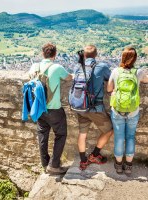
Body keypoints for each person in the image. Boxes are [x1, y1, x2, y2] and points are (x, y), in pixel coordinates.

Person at [29, 43, 72, 175]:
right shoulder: (57, 67)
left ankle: (44, 163)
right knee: (61, 134)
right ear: (55, 54)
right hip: (54, 109)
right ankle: (53, 165)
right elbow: (69, 77)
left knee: (42, 135)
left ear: (43, 54)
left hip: (39, 108)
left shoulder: (34, 66)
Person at [107, 47, 148, 175]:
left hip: (118, 110)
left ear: (122, 58)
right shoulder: (139, 72)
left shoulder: (115, 71)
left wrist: (114, 90)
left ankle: (119, 166)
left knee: (119, 138)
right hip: (133, 111)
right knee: (130, 137)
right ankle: (129, 166)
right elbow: (146, 80)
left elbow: (109, 88)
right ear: (135, 59)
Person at [77, 45, 113, 170]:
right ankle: (94, 155)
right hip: (94, 108)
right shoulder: (102, 67)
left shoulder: (78, 67)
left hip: (80, 106)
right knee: (109, 130)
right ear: (96, 55)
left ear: (84, 55)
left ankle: (83, 161)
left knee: (82, 134)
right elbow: (112, 79)